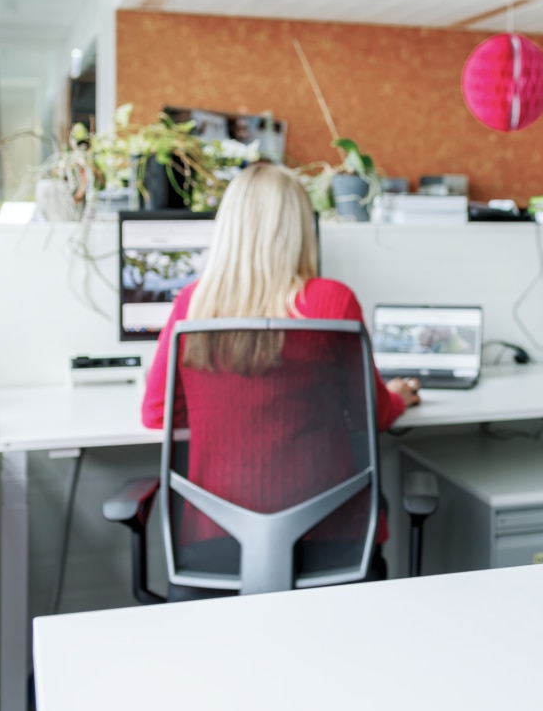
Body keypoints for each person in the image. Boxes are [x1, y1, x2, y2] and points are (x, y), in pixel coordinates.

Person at [141, 163, 420, 584]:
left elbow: (157, 414)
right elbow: (373, 415)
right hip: (331, 535)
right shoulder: (332, 301)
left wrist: (226, 408)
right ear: (299, 229)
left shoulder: (192, 304)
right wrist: (398, 396)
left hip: (217, 537)